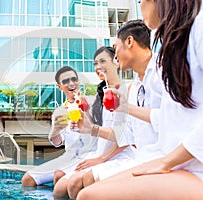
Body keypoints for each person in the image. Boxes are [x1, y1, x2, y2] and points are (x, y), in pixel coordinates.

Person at [77, 1, 203, 199]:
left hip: (192, 166)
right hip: (174, 160)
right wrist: (125, 108)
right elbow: (168, 120)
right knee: (85, 189)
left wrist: (166, 161)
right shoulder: (175, 50)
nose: (141, 4)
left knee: (89, 195)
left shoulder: (198, 30)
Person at [67, 19, 162, 199]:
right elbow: (127, 134)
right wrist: (90, 128)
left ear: (129, 42)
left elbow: (169, 120)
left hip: (160, 160)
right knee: (79, 187)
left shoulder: (163, 73)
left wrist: (126, 108)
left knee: (86, 193)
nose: (116, 55)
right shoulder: (135, 87)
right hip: (143, 159)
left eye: (115, 47)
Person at [53, 47, 135, 199]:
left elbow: (126, 137)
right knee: (59, 188)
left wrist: (100, 159)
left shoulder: (127, 90)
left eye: (102, 61)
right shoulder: (102, 96)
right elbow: (93, 128)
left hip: (119, 155)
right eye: (95, 63)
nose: (98, 67)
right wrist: (81, 123)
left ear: (116, 62)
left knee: (74, 183)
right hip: (101, 153)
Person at [21, 66, 99, 187]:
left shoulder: (92, 102)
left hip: (91, 154)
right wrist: (55, 131)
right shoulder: (60, 111)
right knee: (27, 179)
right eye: (65, 81)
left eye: (74, 79)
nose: (71, 83)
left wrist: (84, 107)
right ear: (59, 86)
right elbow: (57, 142)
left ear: (78, 82)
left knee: (59, 175)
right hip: (69, 157)